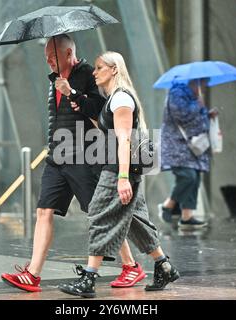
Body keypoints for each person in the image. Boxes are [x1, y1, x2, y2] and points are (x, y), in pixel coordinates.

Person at [1, 35, 145, 292]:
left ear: (69, 54)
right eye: (45, 57)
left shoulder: (90, 75)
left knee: (100, 213)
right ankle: (32, 274)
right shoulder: (53, 81)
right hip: (57, 157)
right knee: (44, 210)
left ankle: (131, 265)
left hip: (83, 156)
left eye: (52, 56)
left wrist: (72, 93)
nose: (47, 61)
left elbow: (101, 111)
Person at [58, 51, 179, 298]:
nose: (94, 71)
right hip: (121, 169)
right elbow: (107, 129)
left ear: (114, 69)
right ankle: (163, 265)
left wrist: (122, 178)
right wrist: (74, 96)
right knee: (136, 220)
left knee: (99, 214)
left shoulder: (122, 99)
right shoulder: (114, 99)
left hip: (117, 170)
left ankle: (89, 279)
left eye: (100, 67)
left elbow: (124, 140)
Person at [158, 78, 217, 230]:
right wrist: (197, 104)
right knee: (187, 176)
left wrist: (207, 114)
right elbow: (181, 115)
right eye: (202, 84)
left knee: (195, 177)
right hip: (176, 144)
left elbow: (197, 118)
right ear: (194, 83)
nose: (204, 87)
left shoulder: (193, 97)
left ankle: (187, 215)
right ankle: (168, 204)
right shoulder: (177, 94)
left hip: (191, 146)